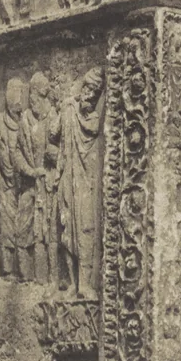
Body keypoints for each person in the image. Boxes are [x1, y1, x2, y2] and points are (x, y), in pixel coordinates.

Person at [58, 67, 104, 297]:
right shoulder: (68, 109)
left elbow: (92, 128)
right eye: (88, 88)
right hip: (68, 176)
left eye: (95, 91)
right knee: (67, 229)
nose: (90, 94)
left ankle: (85, 284)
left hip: (87, 182)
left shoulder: (94, 119)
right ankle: (73, 283)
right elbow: (53, 134)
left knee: (85, 227)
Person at [14, 71, 60, 283]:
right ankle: (25, 277)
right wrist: (31, 171)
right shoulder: (24, 120)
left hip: (49, 186)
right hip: (29, 184)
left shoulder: (53, 118)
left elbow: (63, 152)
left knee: (46, 232)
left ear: (43, 96)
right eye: (30, 94)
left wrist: (55, 157)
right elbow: (17, 153)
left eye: (36, 95)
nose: (32, 99)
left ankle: (47, 279)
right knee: (23, 228)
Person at [0, 78, 26, 277]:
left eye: (18, 93)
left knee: (22, 227)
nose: (15, 98)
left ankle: (22, 269)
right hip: (5, 184)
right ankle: (6, 269)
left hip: (22, 182)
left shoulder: (25, 123)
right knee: (6, 225)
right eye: (11, 92)